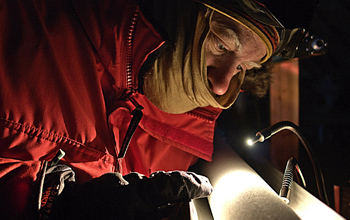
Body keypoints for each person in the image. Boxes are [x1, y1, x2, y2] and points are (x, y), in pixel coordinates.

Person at [0, 0, 317, 219]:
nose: (221, 86)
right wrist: (51, 205)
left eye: (242, 67)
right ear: (181, 12)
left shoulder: (186, 126)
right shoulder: (19, 36)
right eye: (222, 44)